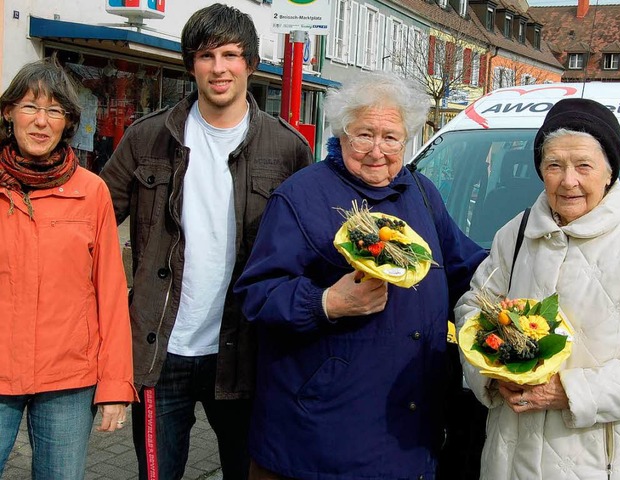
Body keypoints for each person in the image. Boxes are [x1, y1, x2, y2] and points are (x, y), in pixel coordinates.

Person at [234, 72, 487, 480]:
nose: (377, 151)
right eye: (364, 135)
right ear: (342, 135)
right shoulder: (303, 195)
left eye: (391, 138)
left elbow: (464, 267)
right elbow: (258, 295)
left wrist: (521, 268)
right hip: (322, 439)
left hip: (408, 427)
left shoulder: (421, 193)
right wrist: (325, 304)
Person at [100, 4, 313, 480]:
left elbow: (313, 248)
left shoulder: (289, 149)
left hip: (244, 353)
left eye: (232, 54)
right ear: (190, 63)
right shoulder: (146, 137)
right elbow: (90, 223)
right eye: (206, 55)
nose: (219, 67)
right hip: (160, 351)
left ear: (250, 64)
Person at [455, 98, 620, 479]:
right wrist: (491, 372)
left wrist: (568, 392)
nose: (568, 180)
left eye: (584, 165)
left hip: (594, 464)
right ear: (541, 170)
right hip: (506, 460)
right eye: (554, 165)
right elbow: (473, 306)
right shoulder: (518, 232)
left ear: (610, 172)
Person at [0, 58, 136, 479]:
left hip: (68, 381)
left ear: (68, 122)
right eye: (29, 107)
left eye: (54, 111)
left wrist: (115, 386)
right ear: (8, 113)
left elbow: (110, 293)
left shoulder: (90, 192)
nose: (41, 122)